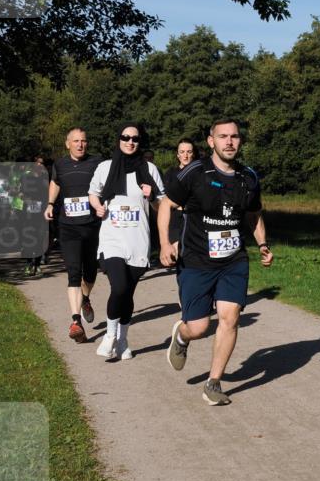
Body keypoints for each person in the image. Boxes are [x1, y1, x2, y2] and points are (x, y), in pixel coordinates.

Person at [158, 119, 273, 404]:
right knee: (198, 327)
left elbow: (254, 213)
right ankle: (182, 336)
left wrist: (262, 243)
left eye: (234, 136)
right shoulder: (194, 173)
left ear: (240, 141)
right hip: (196, 259)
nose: (229, 142)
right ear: (211, 141)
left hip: (233, 260)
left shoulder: (248, 178)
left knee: (230, 317)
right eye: (223, 136)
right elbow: (166, 205)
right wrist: (163, 243)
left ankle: (214, 383)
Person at [88, 122, 165, 361]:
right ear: (118, 139)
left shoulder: (149, 169)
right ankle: (110, 336)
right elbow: (93, 192)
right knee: (119, 287)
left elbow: (162, 205)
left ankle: (122, 340)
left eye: (135, 139)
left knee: (127, 294)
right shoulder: (105, 167)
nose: (130, 142)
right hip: (112, 238)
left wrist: (151, 195)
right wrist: (98, 206)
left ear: (140, 142)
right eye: (126, 137)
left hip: (138, 240)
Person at [45, 129, 104, 342]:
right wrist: (50, 204)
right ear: (67, 143)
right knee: (73, 272)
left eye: (84, 141)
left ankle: (85, 298)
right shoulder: (60, 165)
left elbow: (106, 186)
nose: (80, 145)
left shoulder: (97, 163)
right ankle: (75, 321)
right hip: (68, 226)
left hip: (92, 226)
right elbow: (56, 183)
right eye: (76, 141)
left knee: (90, 271)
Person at [162, 138, 200, 263]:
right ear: (177, 154)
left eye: (189, 152)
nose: (185, 155)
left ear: (193, 153)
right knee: (178, 254)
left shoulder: (200, 173)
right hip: (175, 219)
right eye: (182, 152)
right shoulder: (170, 174)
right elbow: (167, 199)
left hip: (194, 218)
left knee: (192, 255)